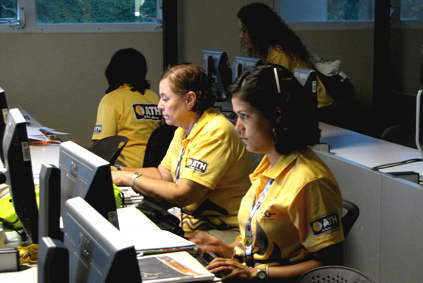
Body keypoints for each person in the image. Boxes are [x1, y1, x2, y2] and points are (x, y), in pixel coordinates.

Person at [188, 65, 344, 282]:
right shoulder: (268, 164)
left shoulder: (309, 180)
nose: (237, 127)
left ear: (276, 115)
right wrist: (228, 249)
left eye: (244, 116)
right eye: (236, 116)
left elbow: (329, 265)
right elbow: (262, 237)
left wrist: (257, 273)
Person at [111, 63, 252, 243]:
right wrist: (119, 171)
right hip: (194, 224)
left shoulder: (215, 132)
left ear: (189, 100)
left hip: (222, 231)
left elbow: (182, 195)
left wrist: (127, 179)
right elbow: (163, 174)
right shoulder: (184, 128)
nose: (159, 105)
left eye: (165, 98)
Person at [236, 2, 333, 111]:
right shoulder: (270, 51)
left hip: (318, 108)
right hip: (308, 106)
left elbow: (277, 93)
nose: (241, 36)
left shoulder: (279, 54)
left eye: (244, 30)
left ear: (258, 29)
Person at [92, 48, 162, 168]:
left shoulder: (111, 99)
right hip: (156, 167)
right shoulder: (155, 97)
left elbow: (102, 146)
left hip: (124, 167)